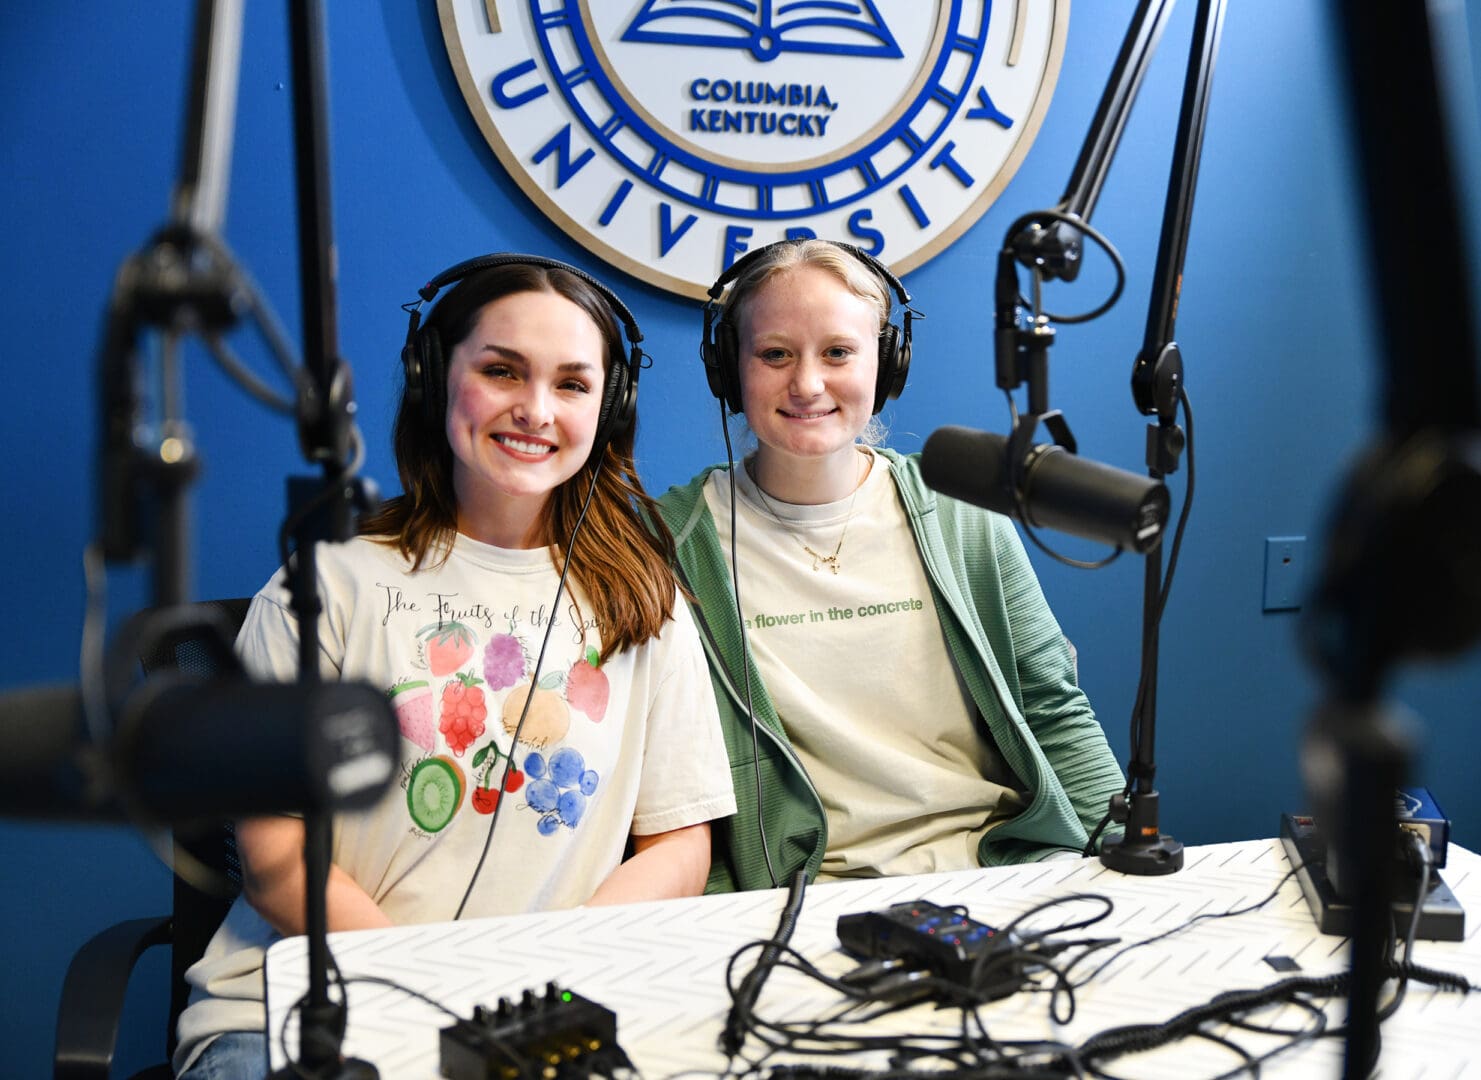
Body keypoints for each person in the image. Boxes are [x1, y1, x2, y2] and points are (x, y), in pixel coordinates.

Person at [175, 255, 736, 1078]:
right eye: (501, 370)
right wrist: (442, 993)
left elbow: (679, 844)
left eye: (572, 384)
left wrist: (550, 978)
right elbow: (276, 862)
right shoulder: (325, 588)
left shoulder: (644, 602)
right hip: (298, 1016)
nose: (535, 409)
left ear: (610, 405)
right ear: (434, 377)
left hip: (541, 1015)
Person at [656, 239, 1125, 892]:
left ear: (887, 362)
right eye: (775, 354)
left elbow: (1053, 708)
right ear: (728, 368)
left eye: (838, 352)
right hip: (798, 899)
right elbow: (675, 783)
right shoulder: (672, 542)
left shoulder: (960, 510)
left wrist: (1122, 860)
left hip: (997, 873)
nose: (807, 384)